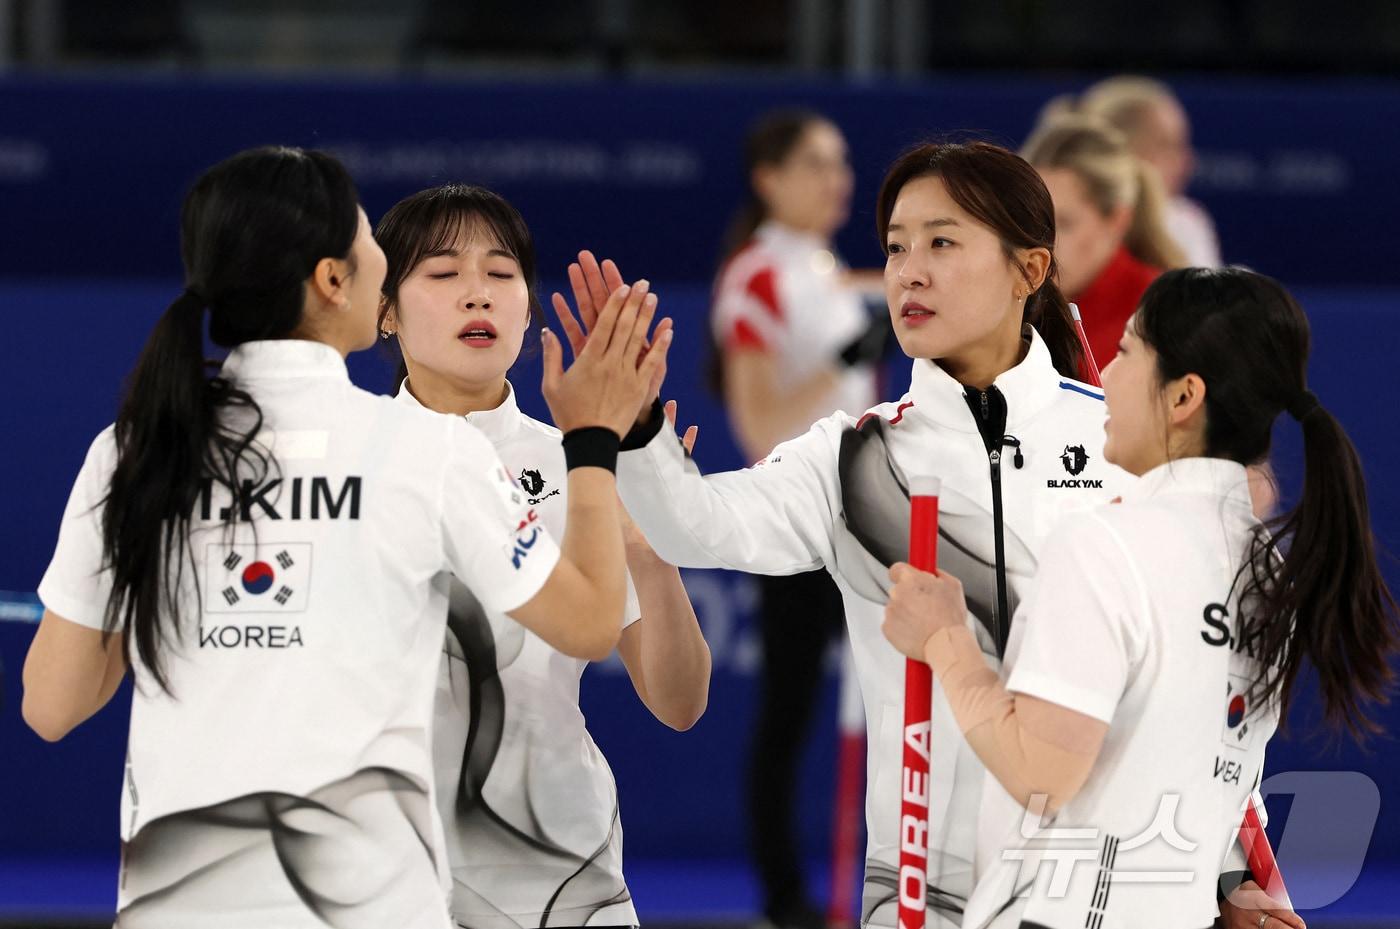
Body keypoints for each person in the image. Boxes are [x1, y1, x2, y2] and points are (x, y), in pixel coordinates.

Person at [21, 146, 667, 928]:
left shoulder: (133, 450)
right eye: (369, 240)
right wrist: (594, 439)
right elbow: (591, 622)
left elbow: (50, 705)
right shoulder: (426, 450)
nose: (381, 261)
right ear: (334, 279)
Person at [548, 139, 1127, 928]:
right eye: (896, 247)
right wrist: (639, 428)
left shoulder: (1118, 441)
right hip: (921, 895)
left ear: (1029, 269)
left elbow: (1181, 673)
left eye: (942, 242)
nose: (909, 271)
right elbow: (697, 526)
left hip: (1097, 883)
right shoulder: (855, 457)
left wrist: (1232, 870)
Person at [883, 266, 1396, 928]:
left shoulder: (1104, 545)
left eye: (1127, 352)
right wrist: (1228, 890)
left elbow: (1041, 774)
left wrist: (945, 640)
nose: (1106, 373)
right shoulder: (1266, 567)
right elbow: (1201, 779)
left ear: (1183, 396)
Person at [374, 184, 710, 929]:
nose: (477, 293)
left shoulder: (581, 465)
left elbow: (680, 702)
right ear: (385, 309)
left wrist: (652, 553)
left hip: (561, 875)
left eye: (501, 273)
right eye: (442, 272)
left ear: (527, 310)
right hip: (381, 872)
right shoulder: (349, 466)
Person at [711, 108, 885, 929]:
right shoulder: (757, 276)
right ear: (769, 178)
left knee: (906, 695)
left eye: (840, 161)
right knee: (789, 711)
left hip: (866, 516)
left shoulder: (826, 269)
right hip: (796, 522)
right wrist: (847, 358)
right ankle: (785, 899)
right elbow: (758, 425)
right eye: (816, 162)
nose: (836, 179)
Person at [1020, 114, 1185, 371]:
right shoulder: (1010, 301)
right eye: (1031, 219)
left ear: (1117, 221)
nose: (1041, 243)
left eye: (1064, 223)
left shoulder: (1163, 318)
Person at [1078, 76, 1222, 269]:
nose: (1187, 160)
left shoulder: (1187, 222)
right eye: (1167, 145)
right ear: (1122, 151)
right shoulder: (1074, 222)